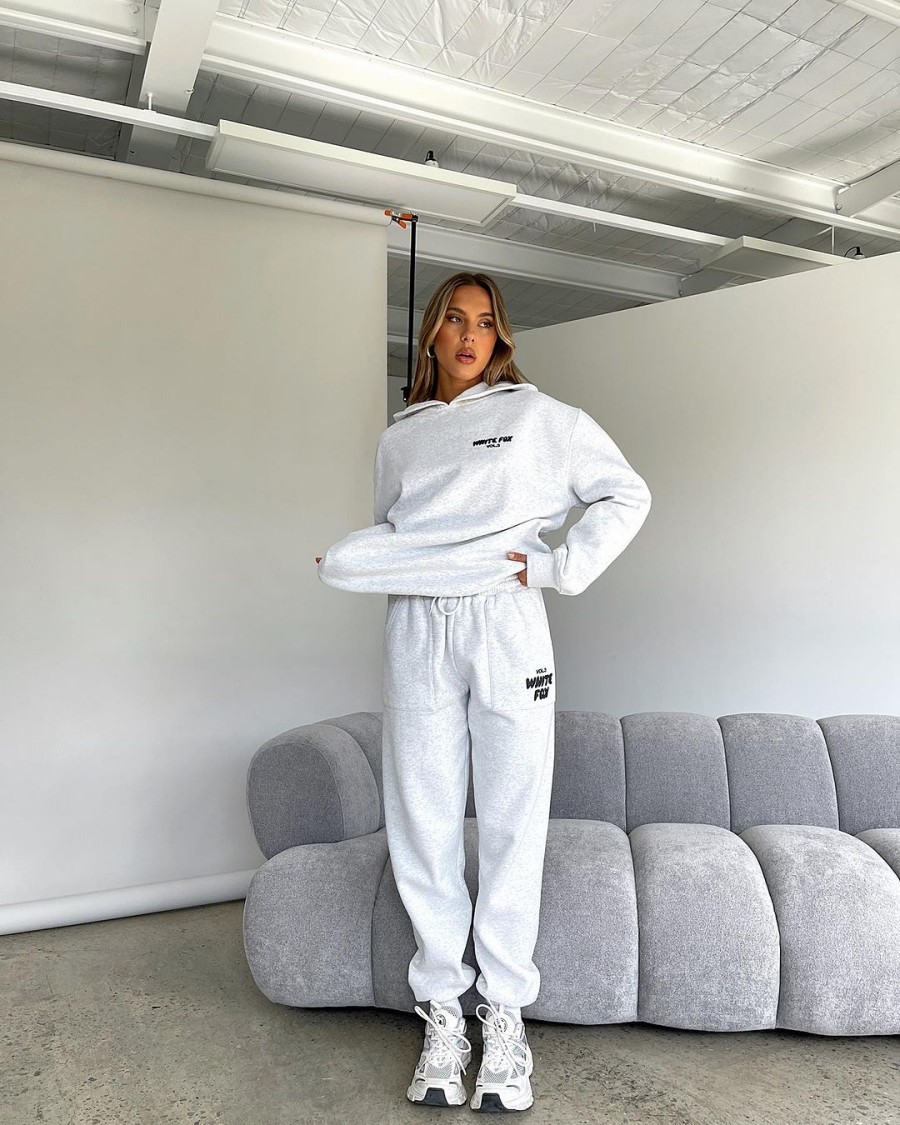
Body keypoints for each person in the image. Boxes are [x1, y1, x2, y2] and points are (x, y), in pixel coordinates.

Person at [316, 271, 652, 1112]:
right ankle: (443, 1013)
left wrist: (560, 566)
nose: (471, 336)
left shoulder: (540, 418)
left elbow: (626, 491)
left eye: (486, 322)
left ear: (501, 336)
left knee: (511, 820)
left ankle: (504, 1017)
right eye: (455, 320)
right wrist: (356, 565)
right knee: (422, 820)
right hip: (417, 630)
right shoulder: (401, 439)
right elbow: (400, 541)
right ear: (431, 333)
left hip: (507, 624)